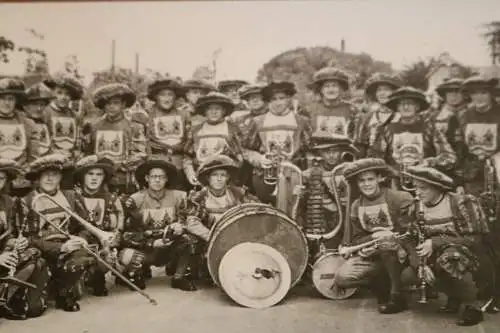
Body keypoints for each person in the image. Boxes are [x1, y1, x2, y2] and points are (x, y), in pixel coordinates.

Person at [400, 165, 491, 326]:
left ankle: (473, 305)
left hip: (467, 256)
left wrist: (435, 242)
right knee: (409, 276)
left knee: (449, 258)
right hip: (434, 256)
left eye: (423, 188)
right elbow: (409, 239)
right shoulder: (416, 207)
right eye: (416, 187)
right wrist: (419, 264)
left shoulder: (461, 202)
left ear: (438, 188)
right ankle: (454, 296)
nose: (418, 192)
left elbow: (474, 239)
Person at [335, 158, 413, 314]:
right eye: (361, 180)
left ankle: (396, 296)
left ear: (380, 178)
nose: (366, 184)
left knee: (387, 246)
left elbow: (411, 232)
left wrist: (393, 239)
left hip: (401, 253)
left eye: (370, 179)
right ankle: (381, 281)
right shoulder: (356, 206)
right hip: (374, 252)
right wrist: (372, 239)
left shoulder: (399, 198)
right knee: (342, 277)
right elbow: (358, 239)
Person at [22, 154, 95, 312]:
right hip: (42, 250)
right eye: (45, 175)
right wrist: (59, 248)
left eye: (54, 175)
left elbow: (84, 226)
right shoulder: (27, 201)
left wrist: (80, 238)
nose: (49, 179)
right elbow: (29, 238)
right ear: (38, 178)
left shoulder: (71, 197)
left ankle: (64, 292)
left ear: (60, 177)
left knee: (84, 255)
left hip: (68, 245)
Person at [121, 156, 201, 291]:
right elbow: (128, 234)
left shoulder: (179, 196)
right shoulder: (135, 200)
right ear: (147, 178)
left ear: (167, 179)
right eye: (153, 177)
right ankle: (137, 273)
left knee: (190, 240)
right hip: (147, 248)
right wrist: (151, 243)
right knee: (126, 255)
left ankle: (179, 277)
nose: (157, 180)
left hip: (170, 246)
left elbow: (189, 218)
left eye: (162, 177)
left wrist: (181, 226)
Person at [368, 87, 456, 191]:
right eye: (402, 104)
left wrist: (429, 163)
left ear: (417, 106)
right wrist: (391, 170)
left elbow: (449, 157)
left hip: (426, 185)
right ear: (397, 107)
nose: (406, 107)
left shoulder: (430, 129)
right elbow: (374, 159)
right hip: (395, 187)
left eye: (410, 103)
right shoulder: (386, 130)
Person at [243, 81, 311, 204]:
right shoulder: (258, 121)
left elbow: (309, 149)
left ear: (289, 99)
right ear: (267, 101)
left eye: (281, 98)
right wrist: (259, 159)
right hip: (265, 175)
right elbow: (245, 149)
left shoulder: (301, 121)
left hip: (293, 174)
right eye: (273, 99)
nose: (277, 102)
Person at [0, 158, 50, 320]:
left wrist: (12, 242)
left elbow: (6, 234)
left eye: (0, 178)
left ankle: (5, 298)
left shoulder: (7, 201)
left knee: (33, 254)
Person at [295, 133, 359, 252]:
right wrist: (300, 194)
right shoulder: (309, 174)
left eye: (335, 151)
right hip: (323, 223)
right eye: (326, 151)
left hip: (347, 221)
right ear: (320, 153)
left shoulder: (350, 171)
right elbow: (302, 205)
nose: (331, 155)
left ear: (341, 151)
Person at [72, 155, 123, 297]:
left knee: (107, 255)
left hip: (102, 243)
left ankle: (98, 276)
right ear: (82, 177)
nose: (94, 178)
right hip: (79, 242)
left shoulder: (112, 199)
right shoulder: (73, 198)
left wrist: (111, 243)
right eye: (90, 174)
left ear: (103, 178)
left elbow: (117, 226)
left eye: (99, 174)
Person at [84, 83, 148, 194]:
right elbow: (88, 153)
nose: (111, 107)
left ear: (123, 104)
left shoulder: (134, 126)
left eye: (115, 103)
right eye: (108, 103)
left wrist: (118, 165)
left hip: (124, 180)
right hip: (99, 180)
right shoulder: (94, 126)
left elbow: (141, 155)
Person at [183, 92, 244, 188]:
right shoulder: (195, 130)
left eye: (217, 109)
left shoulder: (232, 129)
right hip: (202, 176)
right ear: (204, 111)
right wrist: (190, 174)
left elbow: (239, 156)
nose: (213, 112)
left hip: (224, 178)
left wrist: (229, 176)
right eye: (210, 109)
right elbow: (187, 157)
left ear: (224, 111)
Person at [145, 75, 191, 190]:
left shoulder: (184, 115)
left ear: (175, 97)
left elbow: (189, 142)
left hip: (179, 167)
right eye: (162, 95)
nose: (167, 99)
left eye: (170, 94)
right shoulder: (147, 116)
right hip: (156, 166)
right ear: (156, 97)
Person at [42, 73, 85, 189]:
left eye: (67, 94)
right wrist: (53, 152)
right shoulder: (45, 112)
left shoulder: (74, 115)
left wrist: (76, 152)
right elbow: (41, 140)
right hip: (49, 163)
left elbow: (78, 139)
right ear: (52, 93)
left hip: (68, 164)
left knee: (67, 193)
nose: (63, 97)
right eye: (59, 93)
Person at [0, 77, 39, 197]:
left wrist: (28, 172)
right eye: (2, 98)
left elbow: (33, 155)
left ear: (16, 101)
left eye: (10, 99)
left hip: (21, 179)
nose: (6, 103)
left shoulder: (28, 124)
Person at [355, 72, 402, 156]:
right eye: (379, 90)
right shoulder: (367, 118)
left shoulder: (401, 117)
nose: (382, 93)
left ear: (394, 93)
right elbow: (360, 148)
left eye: (386, 90)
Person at [306, 67, 359, 140]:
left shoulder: (352, 110)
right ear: (321, 90)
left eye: (334, 86)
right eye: (327, 86)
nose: (331, 90)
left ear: (341, 89)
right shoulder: (310, 110)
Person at [23, 82, 54, 157]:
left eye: (42, 104)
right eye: (35, 104)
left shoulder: (45, 124)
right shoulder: (22, 124)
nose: (39, 108)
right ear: (25, 106)